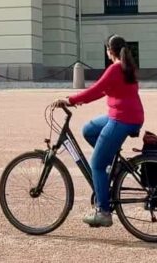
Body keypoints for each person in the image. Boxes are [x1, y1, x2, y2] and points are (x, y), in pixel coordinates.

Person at [53, 34, 144, 229]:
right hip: (127, 116)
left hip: (122, 119)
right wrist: (78, 100)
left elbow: (96, 89)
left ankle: (103, 212)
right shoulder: (126, 67)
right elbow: (102, 91)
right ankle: (114, 163)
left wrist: (70, 100)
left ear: (109, 51)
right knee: (88, 130)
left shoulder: (115, 68)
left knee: (96, 164)